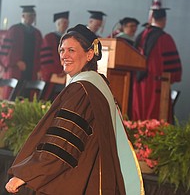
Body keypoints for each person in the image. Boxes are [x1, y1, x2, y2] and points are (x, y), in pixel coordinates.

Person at [5, 24, 144, 195]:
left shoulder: (82, 89)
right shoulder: (98, 85)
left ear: (89, 54)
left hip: (84, 180)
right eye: (62, 50)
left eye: (71, 50)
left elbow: (64, 142)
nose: (64, 55)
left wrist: (28, 174)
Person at [131, 8, 182, 123]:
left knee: (139, 117)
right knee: (155, 117)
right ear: (164, 20)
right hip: (156, 85)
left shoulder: (140, 36)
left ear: (152, 19)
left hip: (138, 84)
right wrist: (174, 77)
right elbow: (172, 68)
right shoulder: (165, 38)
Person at [0, 5, 42, 81]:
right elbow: (5, 52)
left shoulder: (37, 33)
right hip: (16, 69)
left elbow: (40, 53)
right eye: (29, 16)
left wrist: (38, 68)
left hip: (31, 70)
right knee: (14, 92)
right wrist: (15, 62)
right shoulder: (14, 30)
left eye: (33, 16)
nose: (31, 18)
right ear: (23, 16)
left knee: (29, 91)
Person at [40, 11, 69, 82]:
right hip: (51, 74)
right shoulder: (49, 38)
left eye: (67, 23)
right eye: (64, 23)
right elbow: (46, 58)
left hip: (65, 74)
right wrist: (57, 71)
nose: (66, 25)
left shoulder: (68, 38)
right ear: (58, 23)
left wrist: (65, 70)